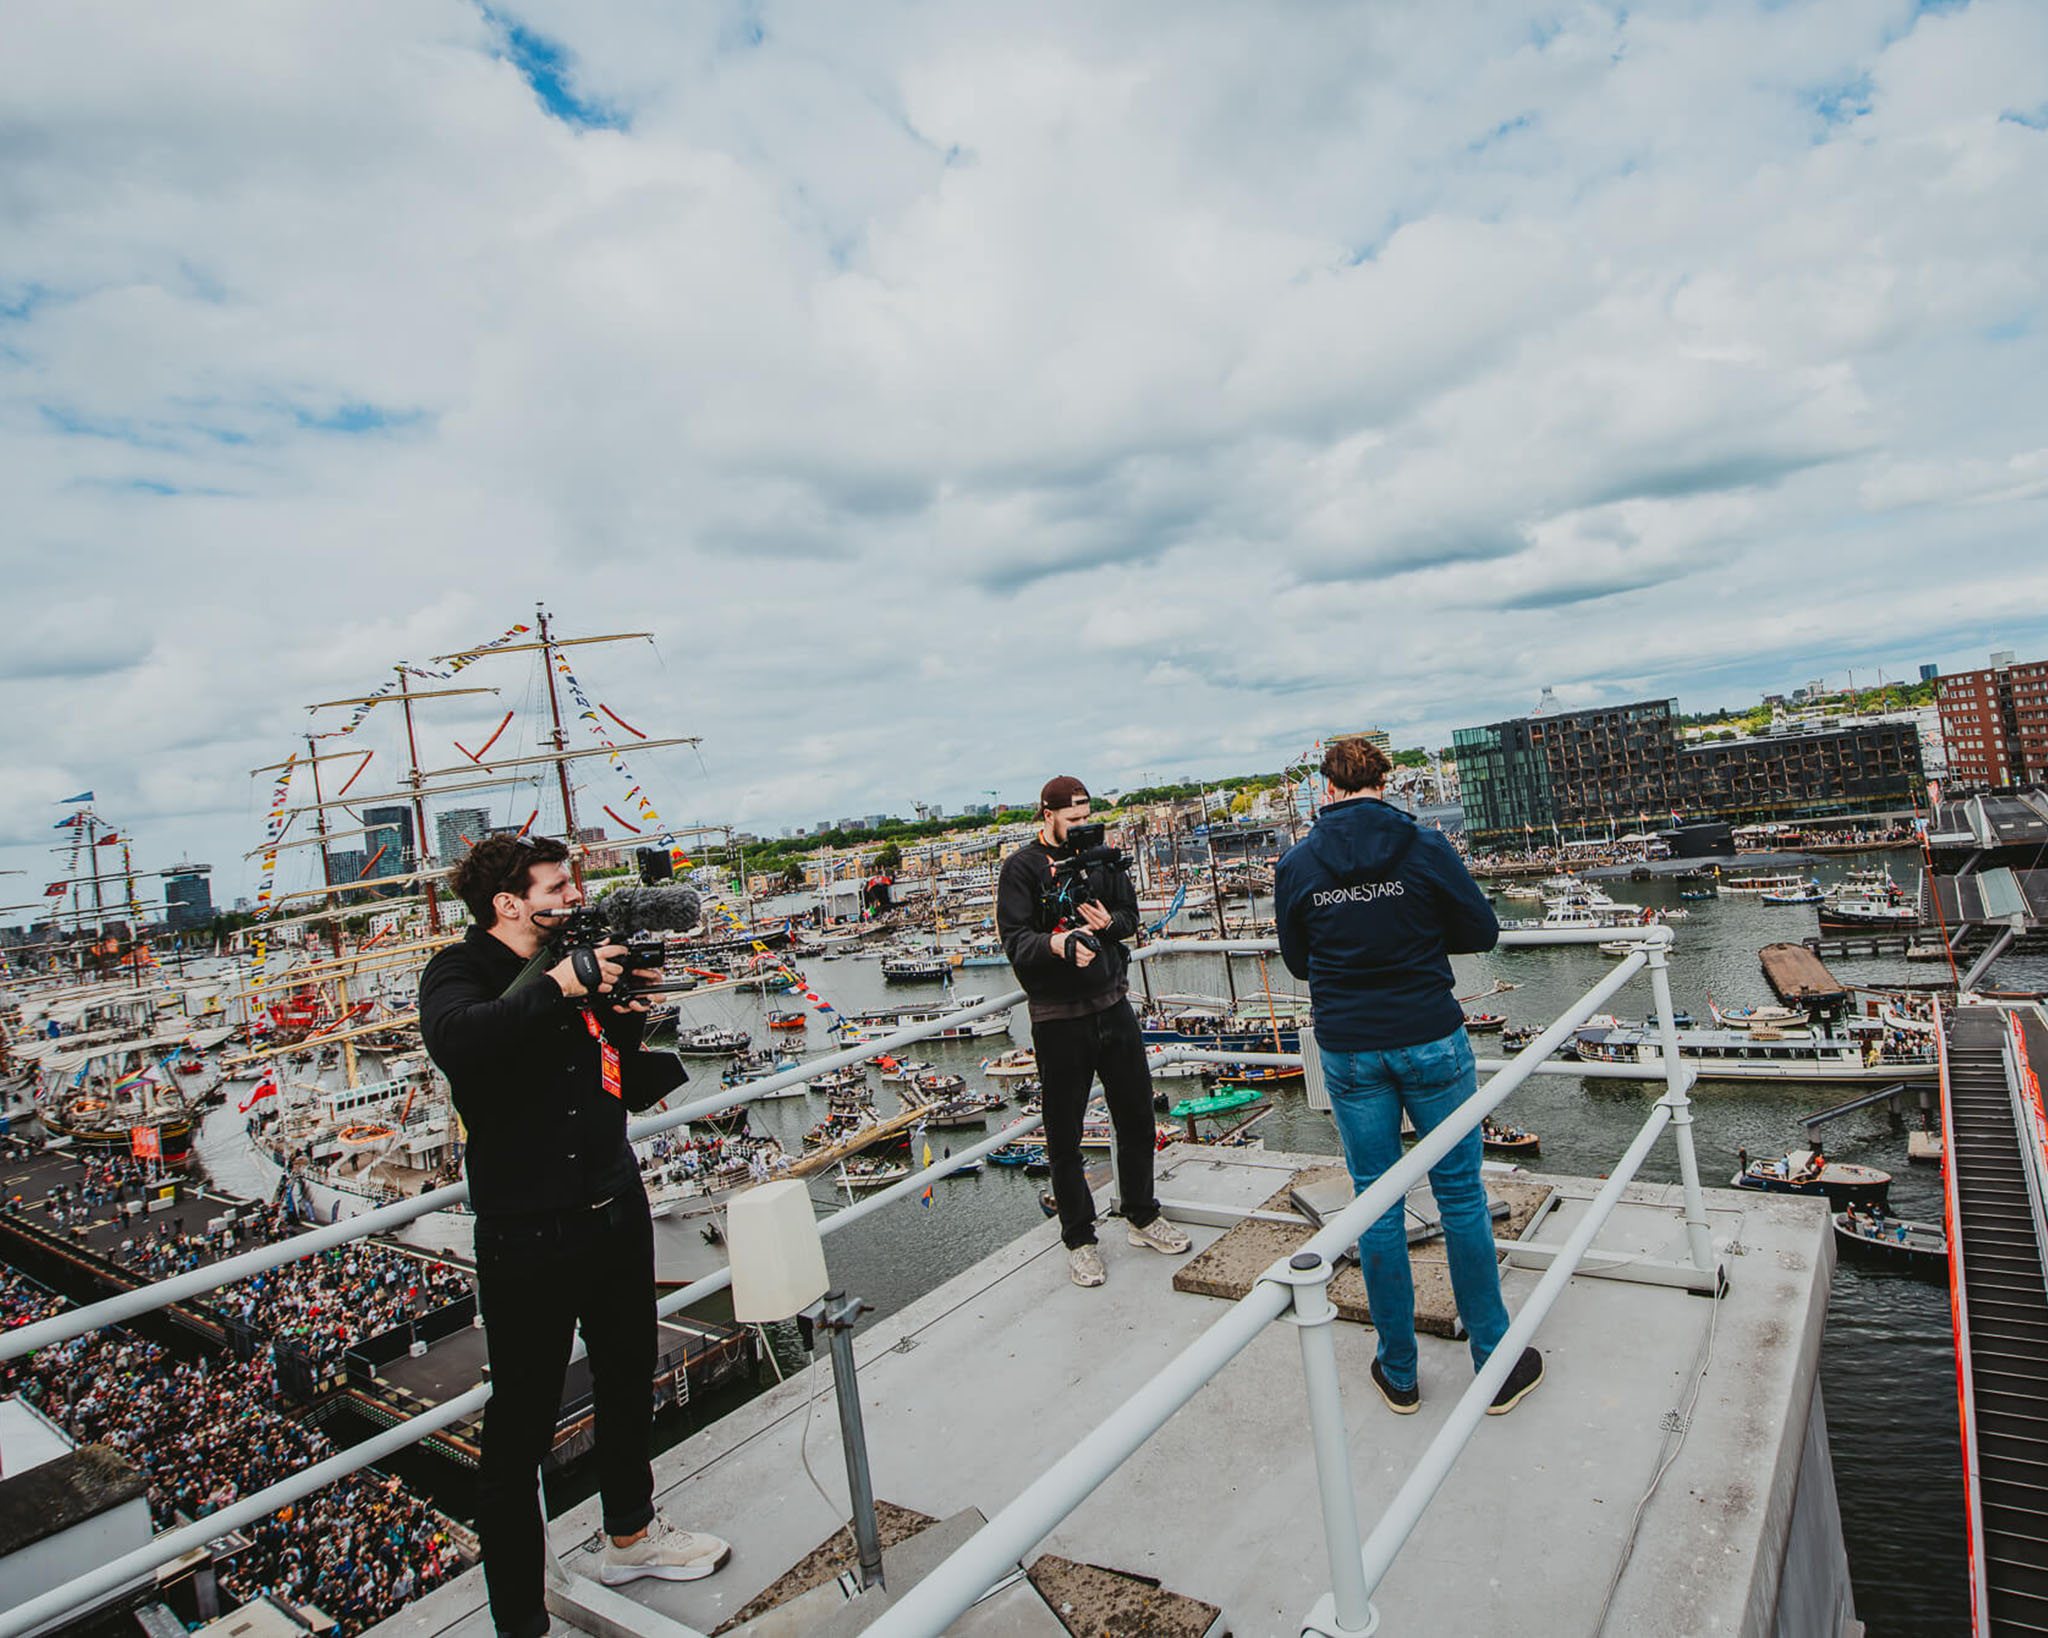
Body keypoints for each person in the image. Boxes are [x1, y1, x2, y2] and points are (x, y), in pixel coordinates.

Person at [419, 833, 728, 1638]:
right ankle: (520, 1618)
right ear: (508, 903)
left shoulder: (578, 960)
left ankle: (630, 1534)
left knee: (627, 1378)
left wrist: (622, 1016)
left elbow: (608, 1075)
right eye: (556, 887)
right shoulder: (459, 971)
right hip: (528, 1233)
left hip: (612, 1206)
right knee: (520, 1427)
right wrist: (561, 984)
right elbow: (459, 1040)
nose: (572, 897)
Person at [1275, 736, 1542, 1418]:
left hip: (1351, 1048)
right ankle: (1495, 1362)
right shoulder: (1424, 844)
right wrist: (1413, 932)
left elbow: (1299, 961)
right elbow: (1481, 931)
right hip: (1428, 1034)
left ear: (1326, 788)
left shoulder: (1297, 862)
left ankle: (1399, 1371)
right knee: (1461, 1197)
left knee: (1376, 1204)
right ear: (1386, 781)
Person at [996, 775, 1191, 1287]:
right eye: (1074, 819)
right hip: (1058, 1018)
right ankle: (1080, 1240)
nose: (1084, 827)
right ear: (1048, 815)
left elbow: (1129, 918)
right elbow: (1016, 942)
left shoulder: (1103, 859)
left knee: (1137, 1118)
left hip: (1113, 1004)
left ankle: (1142, 1215)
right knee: (1065, 1135)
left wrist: (1108, 925)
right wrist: (1059, 945)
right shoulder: (1021, 868)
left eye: (1088, 818)